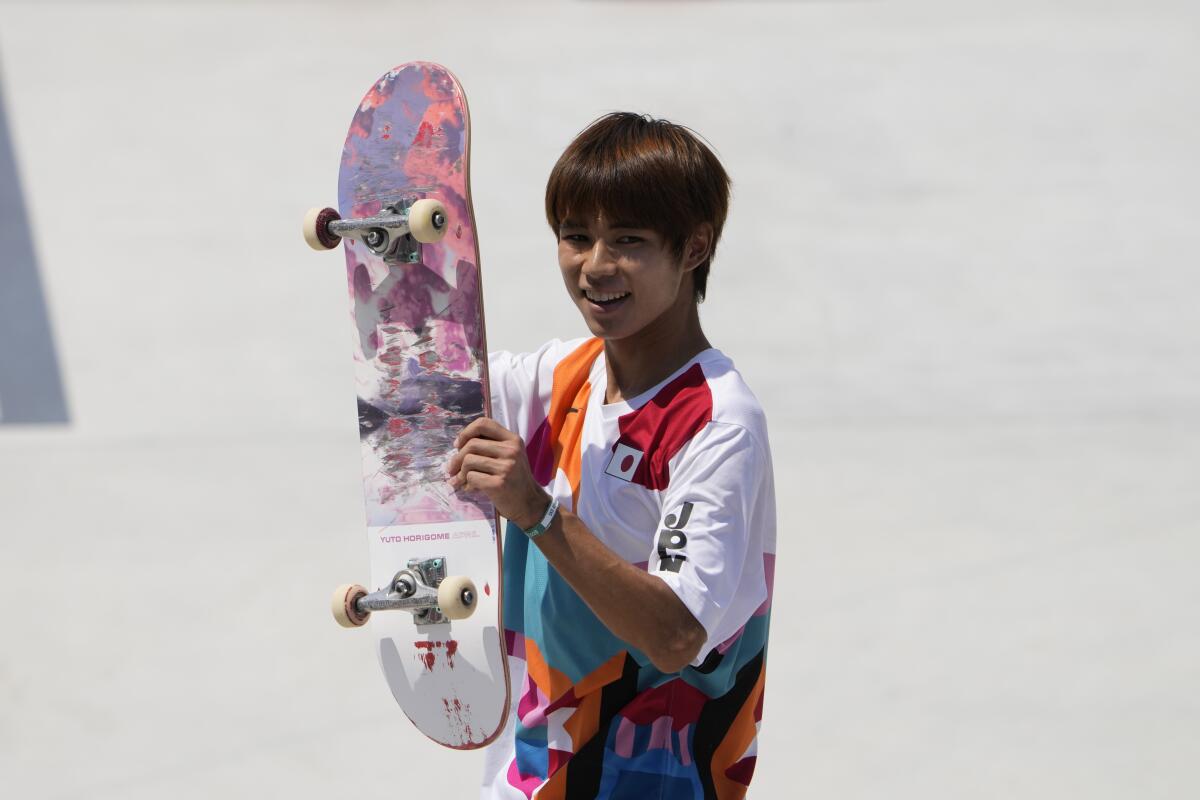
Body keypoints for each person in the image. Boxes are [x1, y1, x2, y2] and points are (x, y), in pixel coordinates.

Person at [447, 112, 776, 799]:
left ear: (692, 248)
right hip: (528, 779)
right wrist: (401, 263)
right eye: (576, 237)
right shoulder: (557, 377)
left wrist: (536, 512)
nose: (595, 266)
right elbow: (429, 391)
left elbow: (678, 635)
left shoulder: (715, 422)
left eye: (627, 240)